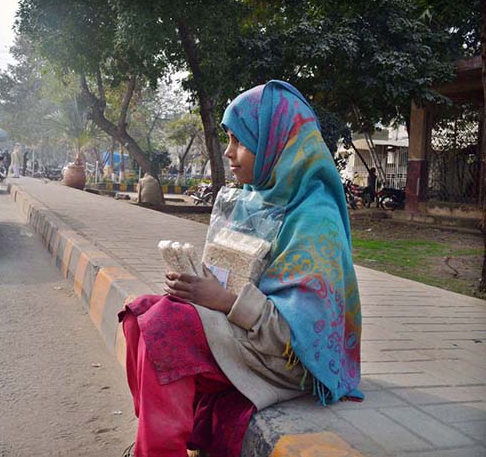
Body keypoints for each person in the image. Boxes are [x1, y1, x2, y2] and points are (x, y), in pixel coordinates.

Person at [118, 80, 362, 457]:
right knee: (142, 314)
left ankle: (157, 451)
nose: (229, 153)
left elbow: (299, 336)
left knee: (168, 324)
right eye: (228, 139)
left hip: (289, 358)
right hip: (245, 332)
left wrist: (223, 300)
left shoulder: (315, 221)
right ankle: (155, 440)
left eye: (240, 141)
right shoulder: (253, 198)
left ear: (275, 144)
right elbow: (233, 275)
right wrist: (197, 284)